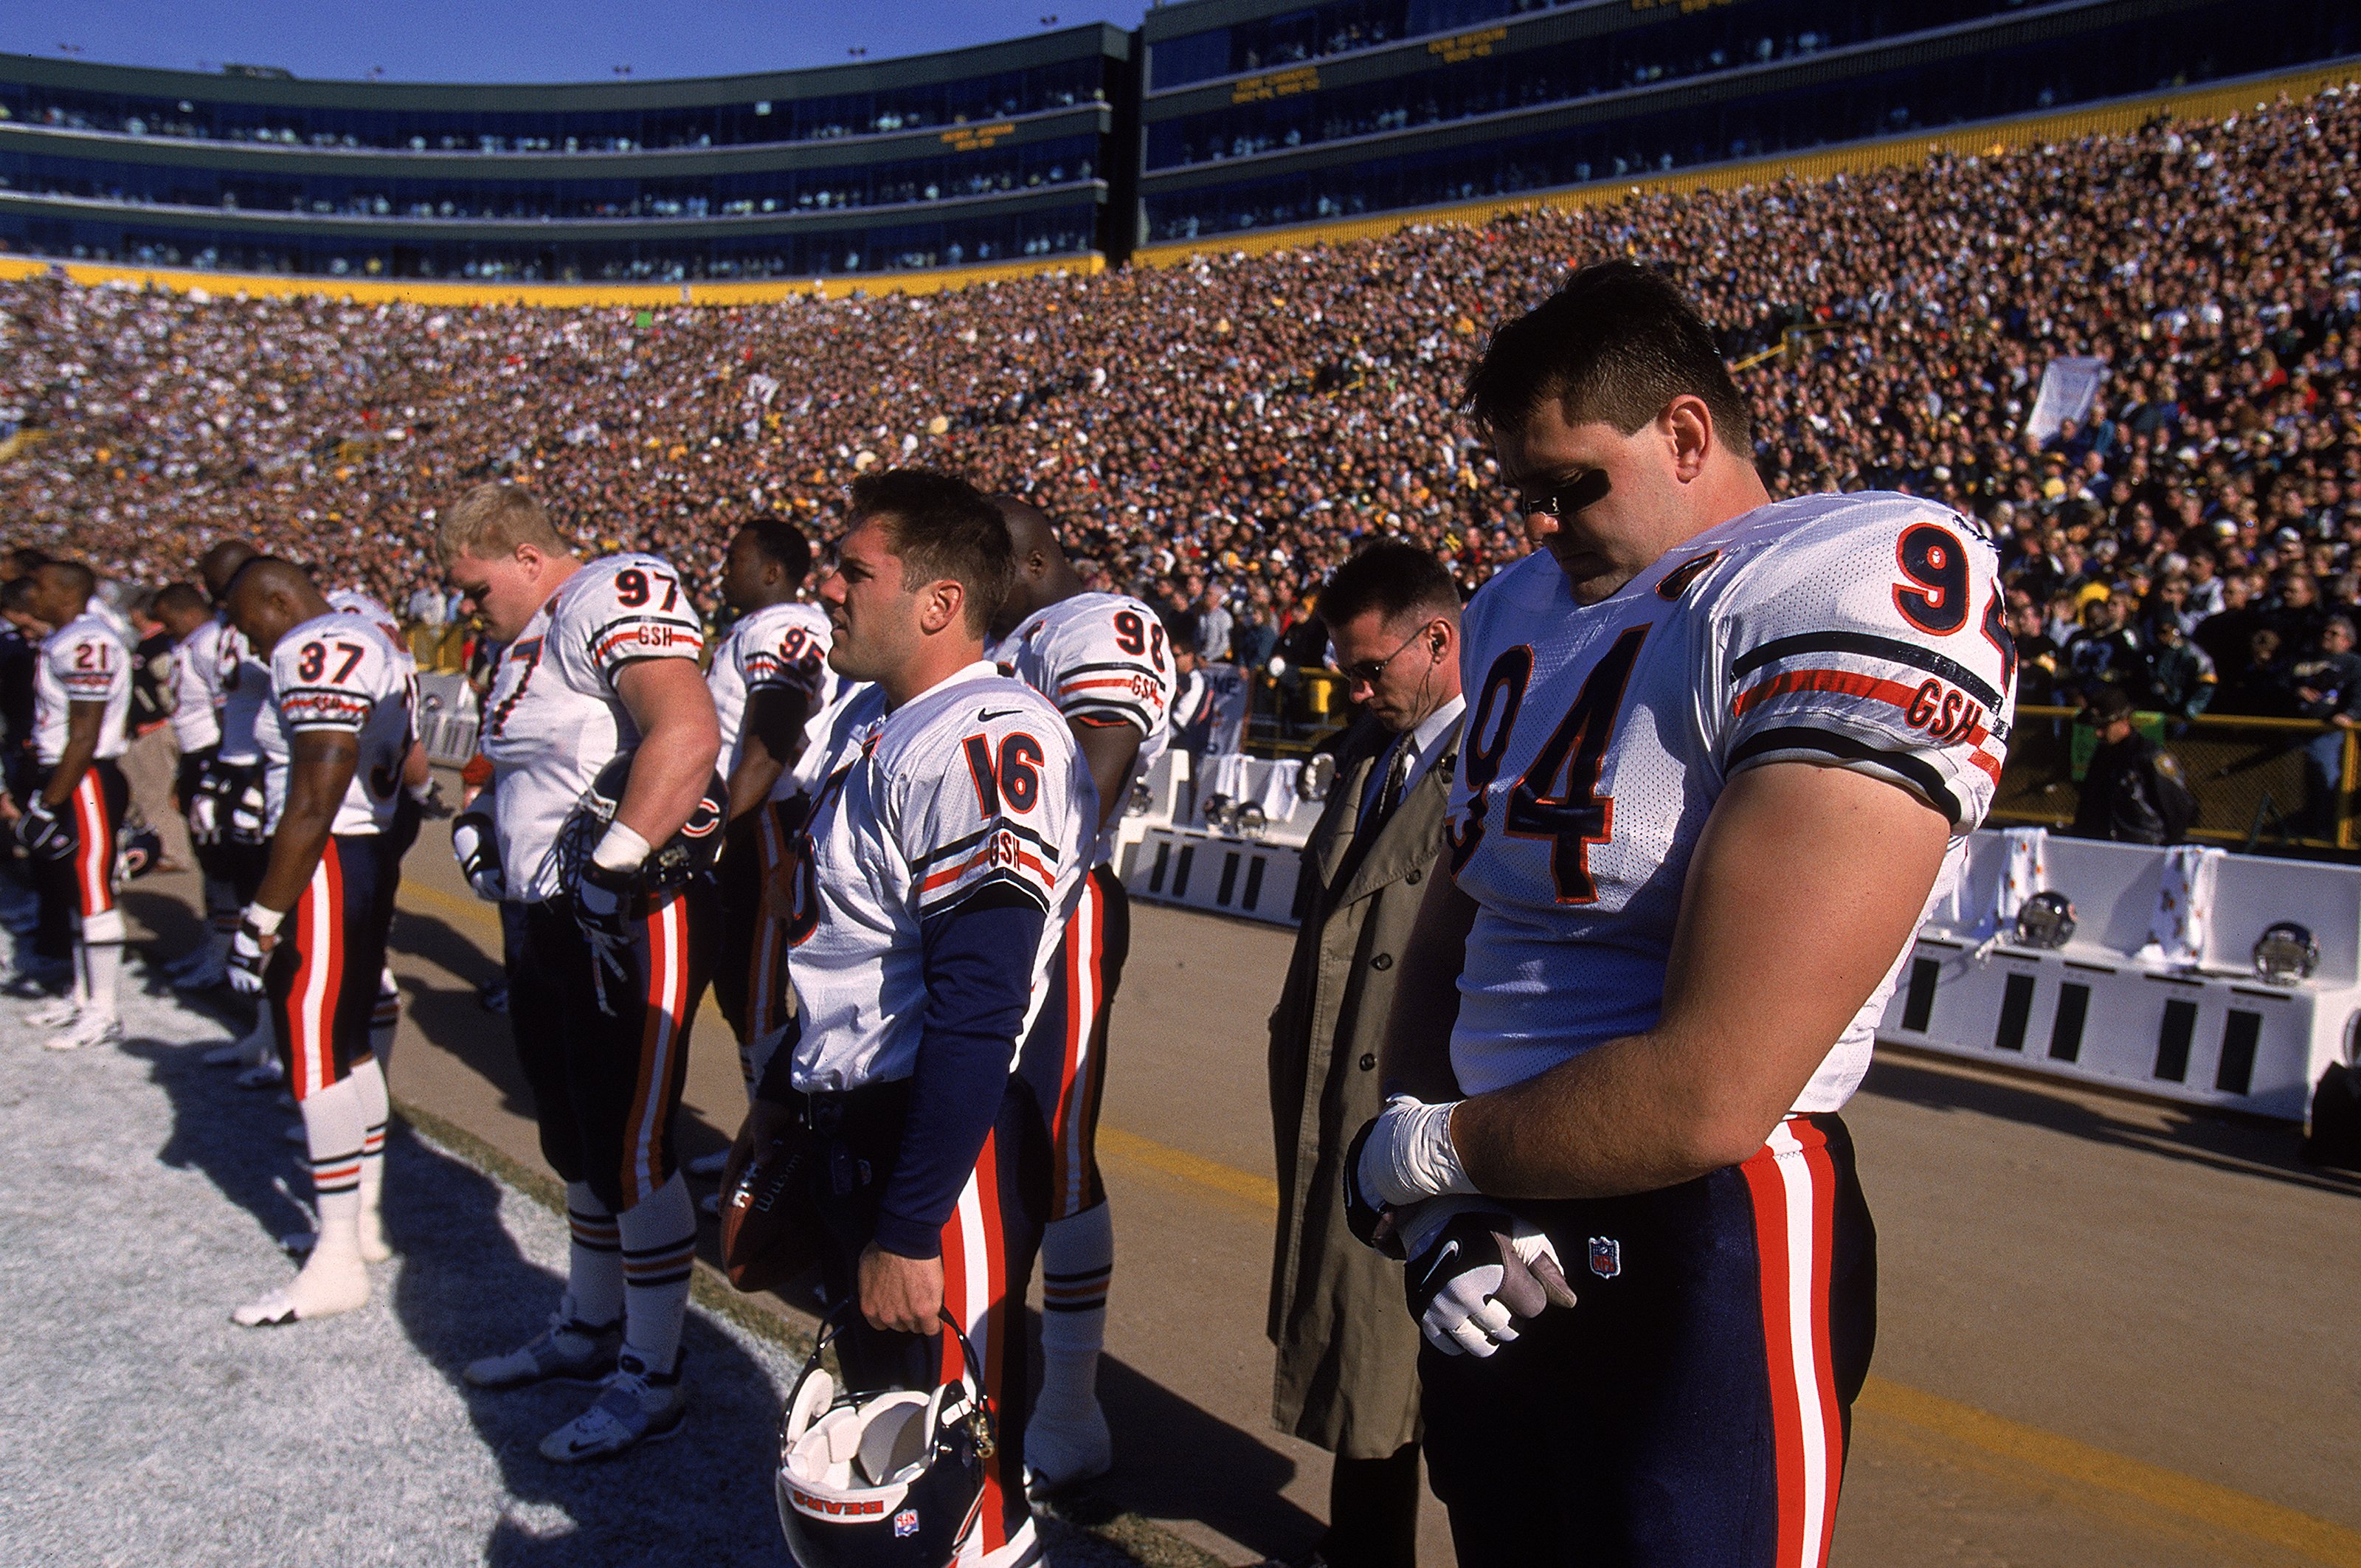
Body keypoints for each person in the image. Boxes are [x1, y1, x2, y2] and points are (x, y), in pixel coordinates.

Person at [1347, 263, 2012, 1565]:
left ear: (1687, 433)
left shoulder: (1848, 572)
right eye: (1524, 493)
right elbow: (1460, 915)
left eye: (1570, 483)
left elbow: (1715, 1091)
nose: (1543, 524)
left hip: (1707, 1226)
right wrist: (1440, 1201)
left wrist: (1434, 1158)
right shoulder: (1515, 611)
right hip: (1494, 1219)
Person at [736, 468, 1090, 1567]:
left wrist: (906, 1223)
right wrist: (781, 1109)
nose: (826, 589)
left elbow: (978, 1003)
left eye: (854, 569)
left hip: (939, 1150)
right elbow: (846, 961)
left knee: (953, 1488)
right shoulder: (878, 726)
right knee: (881, 1443)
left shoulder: (984, 734)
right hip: (863, 1121)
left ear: (937, 602)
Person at [441, 480, 724, 1463]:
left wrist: (612, 869)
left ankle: (653, 1371)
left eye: (474, 587)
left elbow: (686, 731)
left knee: (632, 1141)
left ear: (524, 555)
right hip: (544, 919)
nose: (467, 608)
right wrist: (482, 821)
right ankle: (590, 1326)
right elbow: (521, 767)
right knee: (572, 1132)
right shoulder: (527, 637)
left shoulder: (608, 591)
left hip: (622, 916)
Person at [1267, 542, 1465, 1568]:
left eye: (1370, 665)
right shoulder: (1371, 750)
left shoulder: (1494, 762)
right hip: (1350, 1111)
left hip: (1434, 1124)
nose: (1354, 685)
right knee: (1364, 1379)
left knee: (1448, 1406)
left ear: (1439, 640)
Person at [987, 493, 1177, 1491]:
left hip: (1054, 904)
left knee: (1055, 1147)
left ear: (1030, 560)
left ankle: (1066, 1413)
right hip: (982, 907)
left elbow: (1095, 776)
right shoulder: (1012, 635)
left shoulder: (1096, 620)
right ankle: (997, 1390)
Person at [220, 559, 412, 1324]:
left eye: (247, 619)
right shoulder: (373, 640)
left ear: (276, 599)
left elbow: (316, 789)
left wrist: (264, 912)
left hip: (325, 857)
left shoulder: (318, 643)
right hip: (359, 854)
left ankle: (333, 1256)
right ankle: (359, 1220)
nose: (247, 637)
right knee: (349, 1043)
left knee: (314, 1053)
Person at [702, 519, 830, 1103]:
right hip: (749, 819)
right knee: (738, 992)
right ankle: (761, 1137)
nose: (723, 571)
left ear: (772, 571)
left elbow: (772, 739)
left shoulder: (786, 625)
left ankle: (772, 1147)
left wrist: (712, 827)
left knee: (753, 994)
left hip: (764, 821)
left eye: (735, 559)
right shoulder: (756, 627)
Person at [10, 562, 134, 1049]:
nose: (30, 595)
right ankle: (83, 995)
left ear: (64, 593)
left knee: (92, 886)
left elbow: (84, 733)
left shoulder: (89, 640)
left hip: (85, 776)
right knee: (71, 888)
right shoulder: (64, 638)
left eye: (38, 586)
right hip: (68, 773)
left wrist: (47, 803)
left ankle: (104, 1009)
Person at [151, 582, 232, 989]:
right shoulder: (194, 642)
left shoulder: (210, 643)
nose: (166, 631)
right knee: (208, 862)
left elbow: (226, 712)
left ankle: (224, 956)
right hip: (196, 757)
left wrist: (215, 773)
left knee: (221, 863)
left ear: (183, 614)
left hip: (212, 756)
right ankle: (211, 945)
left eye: (168, 623)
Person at [2070, 683, 2191, 845]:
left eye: (2104, 726)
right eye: (2096, 727)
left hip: (2143, 853)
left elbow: (2180, 810)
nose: (2098, 733)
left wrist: (2160, 852)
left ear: (2125, 721)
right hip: (2101, 852)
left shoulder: (2148, 757)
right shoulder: (2102, 756)